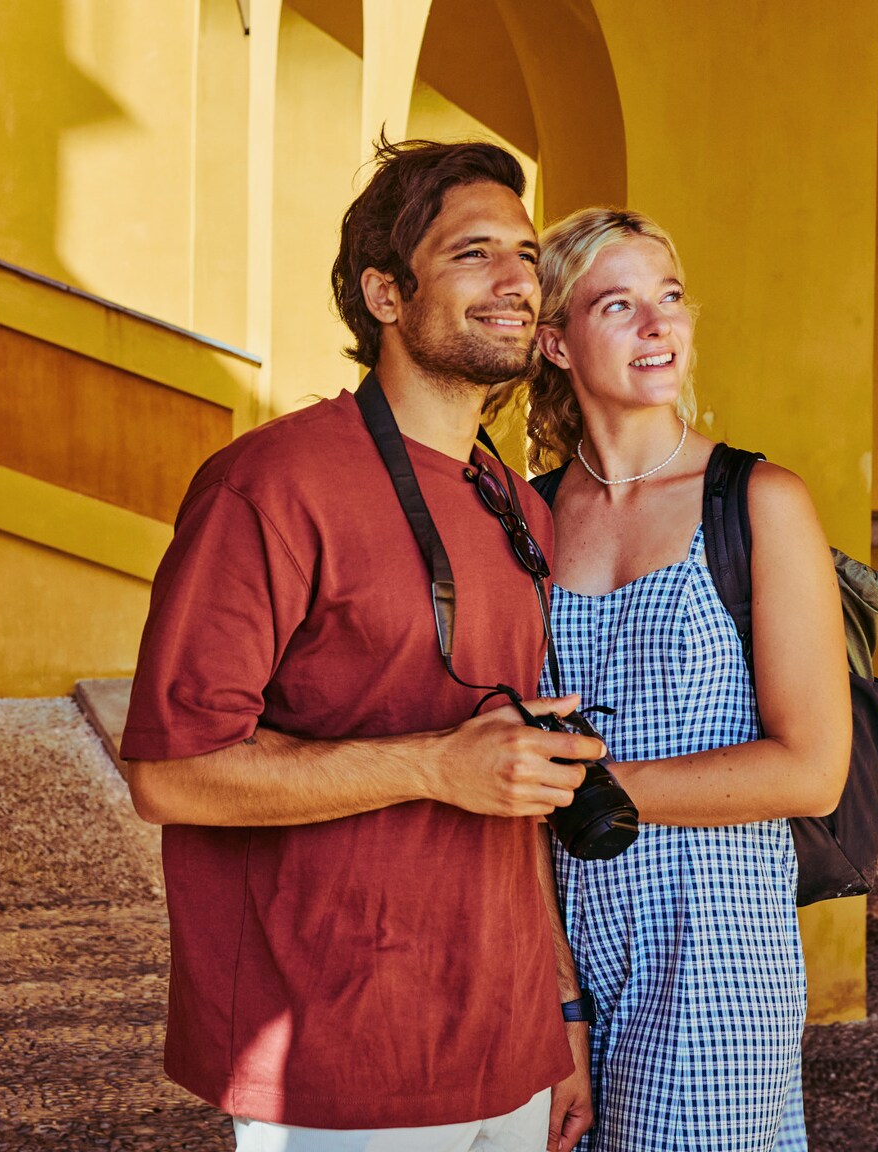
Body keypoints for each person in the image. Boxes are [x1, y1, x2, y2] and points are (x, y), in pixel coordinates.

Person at [118, 139, 602, 1152]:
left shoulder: (512, 504)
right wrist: (432, 764)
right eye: (474, 252)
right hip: (336, 1056)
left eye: (524, 253)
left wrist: (555, 1016)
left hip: (504, 1045)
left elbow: (511, 791)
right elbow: (172, 775)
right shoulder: (270, 484)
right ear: (385, 293)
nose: (517, 279)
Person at [511, 208, 851, 1152]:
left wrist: (594, 795)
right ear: (556, 343)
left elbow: (812, 768)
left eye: (668, 298)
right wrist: (556, 1000)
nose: (659, 326)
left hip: (713, 955)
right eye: (618, 305)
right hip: (559, 950)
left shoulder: (755, 503)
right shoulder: (523, 524)